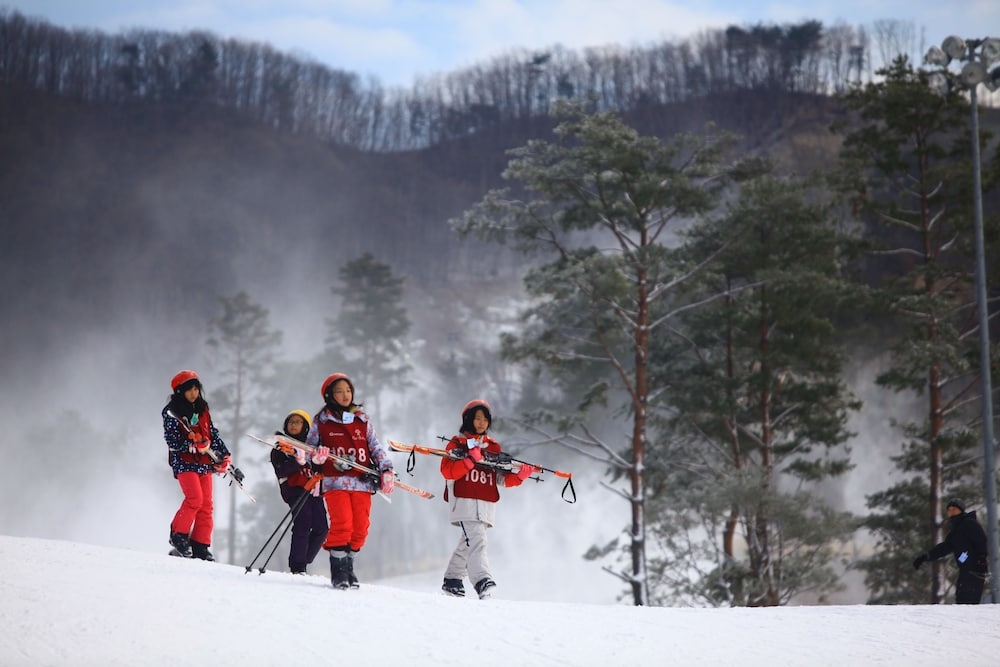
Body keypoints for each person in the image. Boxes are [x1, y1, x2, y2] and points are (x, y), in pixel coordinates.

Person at [306, 373, 395, 590]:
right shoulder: (322, 421)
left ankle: (348, 565)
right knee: (342, 523)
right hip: (335, 482)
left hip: (362, 483)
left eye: (348, 390)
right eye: (339, 391)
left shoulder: (362, 419)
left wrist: (386, 469)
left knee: (361, 529)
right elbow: (309, 450)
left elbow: (375, 447)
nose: (345, 395)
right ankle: (339, 572)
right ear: (329, 395)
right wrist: (317, 456)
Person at [439, 399, 534, 599]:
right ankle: (482, 581)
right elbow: (447, 471)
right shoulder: (457, 443)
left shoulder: (493, 447)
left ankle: (452, 580)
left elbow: (500, 478)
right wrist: (469, 460)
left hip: (486, 504)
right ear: (468, 420)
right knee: (477, 541)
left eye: (485, 419)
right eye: (477, 418)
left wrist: (518, 476)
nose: (482, 423)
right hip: (464, 502)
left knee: (469, 541)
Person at [162, 370, 232, 561]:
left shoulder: (202, 409)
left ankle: (200, 545)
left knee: (206, 505)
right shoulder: (172, 412)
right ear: (179, 392)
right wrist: (191, 446)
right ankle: (179, 535)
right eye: (189, 390)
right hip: (184, 462)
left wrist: (225, 455)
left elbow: (212, 434)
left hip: (204, 463)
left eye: (196, 389)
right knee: (195, 499)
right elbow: (172, 440)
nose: (193, 393)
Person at [269, 409, 328, 574]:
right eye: (291, 422)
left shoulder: (312, 447)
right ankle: (297, 566)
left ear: (306, 426)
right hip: (294, 489)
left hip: (313, 489)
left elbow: (319, 468)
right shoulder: (281, 446)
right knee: (303, 523)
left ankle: (304, 558)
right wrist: (297, 461)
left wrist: (317, 462)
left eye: (298, 422)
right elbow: (280, 470)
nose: (294, 425)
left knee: (322, 527)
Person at [913, 499, 990, 604]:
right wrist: (926, 556)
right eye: (949, 510)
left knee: (967, 603)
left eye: (954, 509)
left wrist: (982, 559)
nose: (951, 512)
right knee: (962, 601)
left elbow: (981, 540)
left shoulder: (969, 523)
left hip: (975, 571)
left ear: (961, 510)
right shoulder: (956, 530)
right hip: (965, 571)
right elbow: (945, 548)